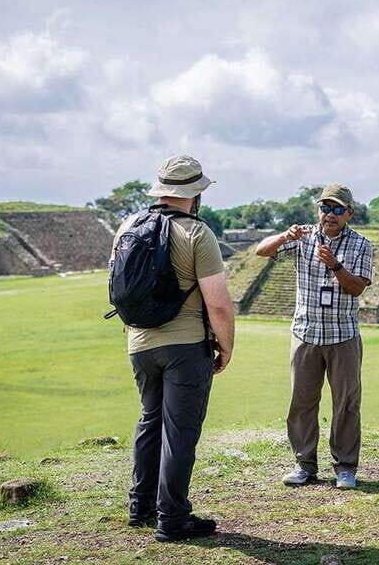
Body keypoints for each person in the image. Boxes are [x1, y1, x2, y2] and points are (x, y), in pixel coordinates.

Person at [112, 155, 235, 542]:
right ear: (195, 193)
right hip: (184, 345)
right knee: (180, 432)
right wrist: (226, 346)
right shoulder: (198, 234)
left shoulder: (127, 226)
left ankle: (141, 504)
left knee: (150, 420)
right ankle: (173, 517)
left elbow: (120, 285)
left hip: (139, 341)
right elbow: (217, 302)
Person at [255, 184, 373, 490]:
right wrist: (284, 237)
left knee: (346, 403)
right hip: (306, 332)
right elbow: (261, 251)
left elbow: (357, 287)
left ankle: (345, 467)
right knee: (302, 402)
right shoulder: (302, 237)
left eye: (337, 209)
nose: (329, 215)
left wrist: (335, 265)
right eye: (325, 208)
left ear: (349, 213)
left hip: (342, 334)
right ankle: (304, 464)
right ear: (317, 210)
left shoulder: (361, 244)